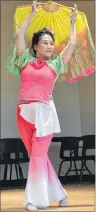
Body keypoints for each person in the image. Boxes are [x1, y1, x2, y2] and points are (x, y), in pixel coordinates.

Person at [15, 1, 78, 211]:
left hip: (44, 114)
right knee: (36, 157)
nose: (50, 46)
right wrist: (33, 14)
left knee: (38, 157)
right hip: (23, 113)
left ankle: (34, 200)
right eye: (45, 42)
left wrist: (72, 23)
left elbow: (71, 45)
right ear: (35, 46)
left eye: (51, 43)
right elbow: (19, 34)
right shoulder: (24, 59)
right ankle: (60, 194)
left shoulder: (56, 64)